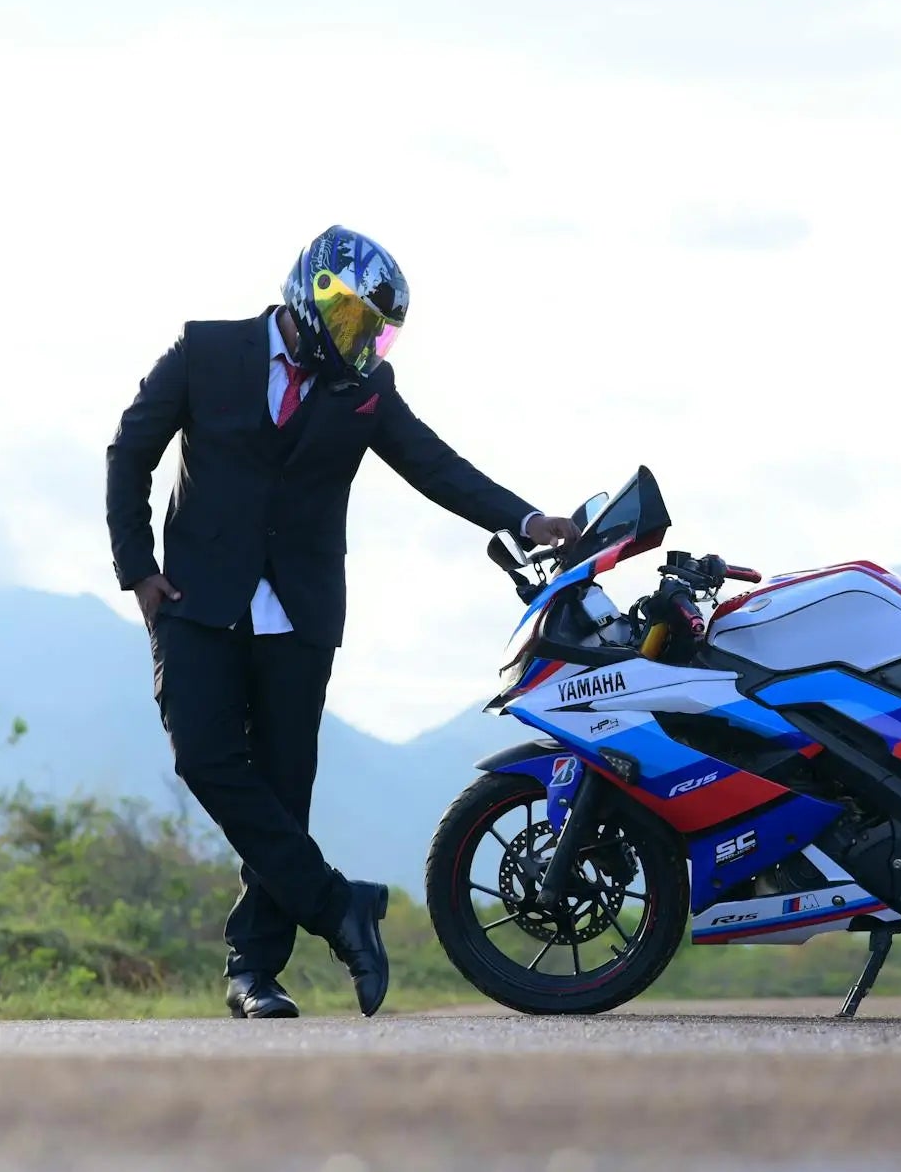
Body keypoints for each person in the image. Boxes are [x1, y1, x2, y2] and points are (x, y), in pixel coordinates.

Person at [105, 226, 578, 1018]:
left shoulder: (366, 388)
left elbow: (434, 464)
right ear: (313, 296)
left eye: (376, 330)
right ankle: (337, 905)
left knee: (284, 788)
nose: (365, 340)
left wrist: (526, 519)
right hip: (194, 600)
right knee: (204, 758)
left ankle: (254, 972)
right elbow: (130, 451)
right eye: (357, 320)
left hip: (301, 611)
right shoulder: (204, 350)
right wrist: (138, 569)